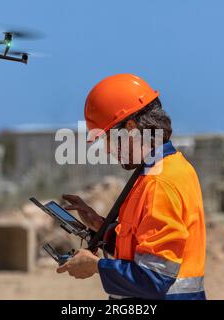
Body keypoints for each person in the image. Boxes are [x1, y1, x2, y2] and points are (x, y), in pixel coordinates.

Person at [57, 74, 206, 300]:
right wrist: (101, 226)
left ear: (130, 128)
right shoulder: (160, 170)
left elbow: (154, 279)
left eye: (106, 138)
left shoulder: (159, 182)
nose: (107, 150)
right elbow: (143, 250)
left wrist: (96, 266)